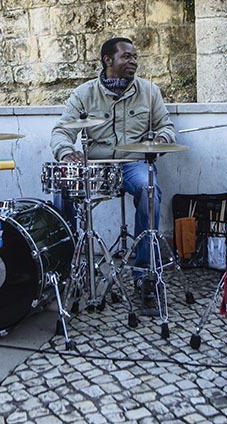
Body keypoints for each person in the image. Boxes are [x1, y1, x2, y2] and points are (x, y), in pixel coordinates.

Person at [50, 37, 176, 294]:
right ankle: (68, 268)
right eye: (127, 57)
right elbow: (61, 132)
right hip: (98, 165)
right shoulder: (84, 94)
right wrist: (66, 153)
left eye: (135, 57)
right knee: (63, 188)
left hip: (133, 163)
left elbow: (166, 126)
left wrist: (162, 139)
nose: (133, 62)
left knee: (148, 190)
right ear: (108, 60)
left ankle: (144, 274)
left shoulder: (150, 91)